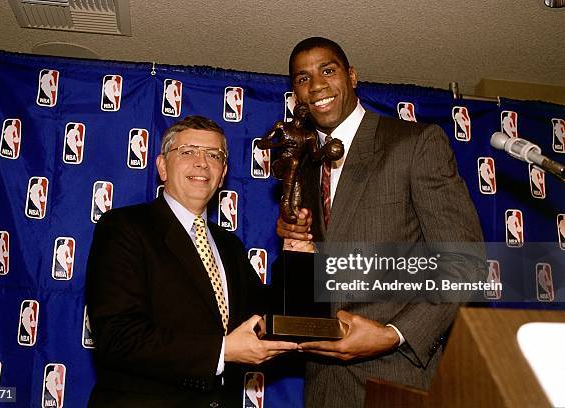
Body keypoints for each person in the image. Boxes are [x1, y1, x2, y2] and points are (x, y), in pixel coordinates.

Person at [277, 37, 484, 407]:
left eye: (328, 70)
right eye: (302, 78)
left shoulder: (414, 142)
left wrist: (394, 334)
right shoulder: (305, 167)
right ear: (295, 94)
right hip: (324, 385)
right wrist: (299, 251)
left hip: (398, 375)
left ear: (352, 76)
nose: (317, 85)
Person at [85, 115, 298, 407]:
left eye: (213, 155)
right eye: (188, 152)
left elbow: (269, 317)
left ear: (223, 173)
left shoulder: (229, 245)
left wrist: (296, 253)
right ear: (162, 166)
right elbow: (118, 337)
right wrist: (222, 352)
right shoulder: (125, 228)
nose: (201, 162)